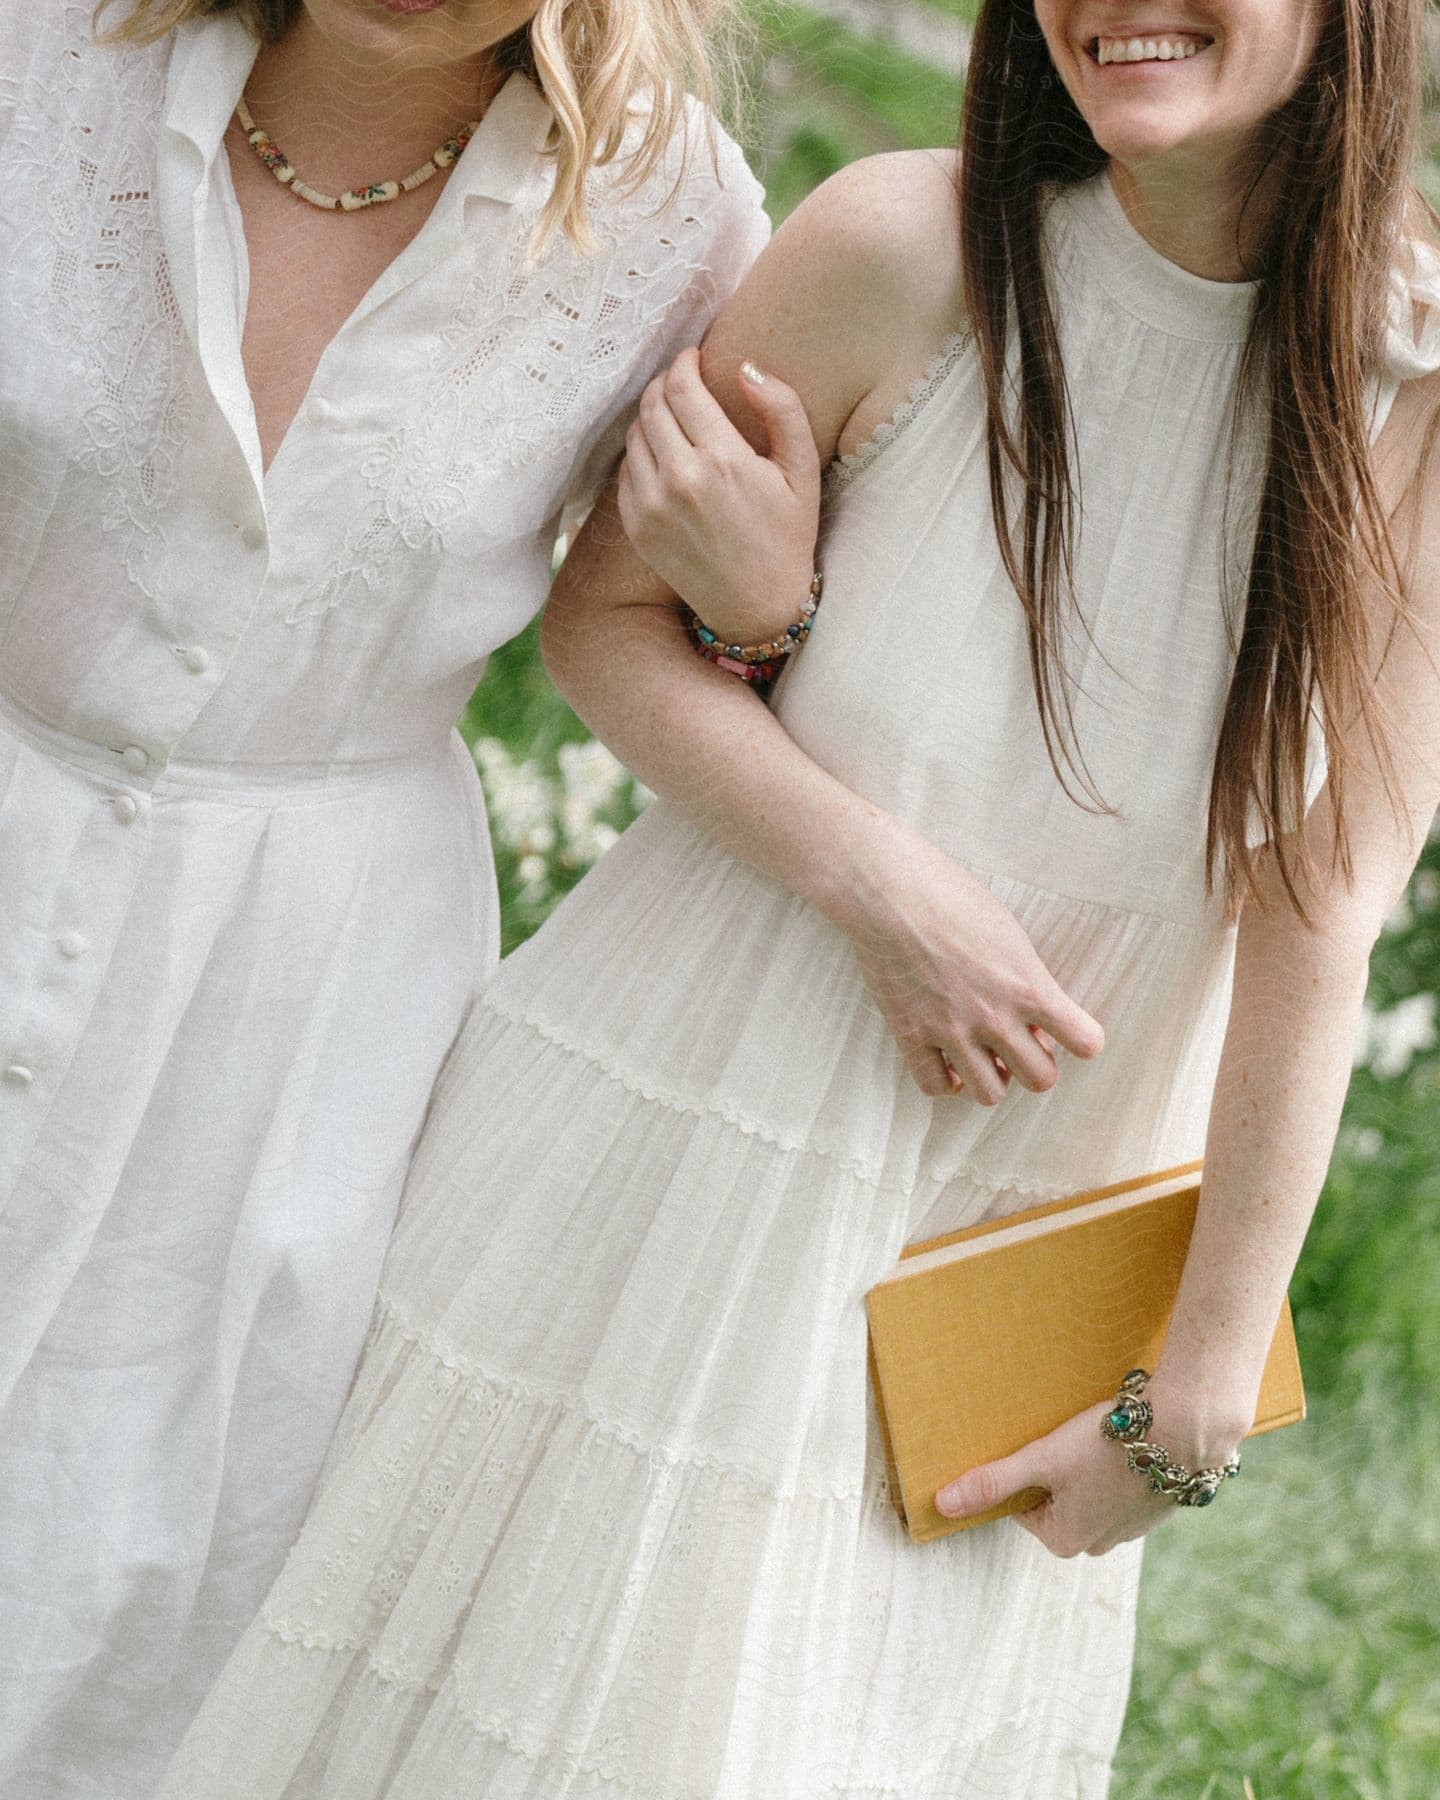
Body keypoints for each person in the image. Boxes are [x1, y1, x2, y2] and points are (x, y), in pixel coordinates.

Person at [158, 0, 1440, 1793]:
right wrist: (887, 892)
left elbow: (1330, 887)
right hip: (674, 1106)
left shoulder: (1412, 380)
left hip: (1011, 1204)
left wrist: (1211, 1363)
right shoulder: (907, 247)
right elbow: (606, 628)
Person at [0, 0, 767, 1790]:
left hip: (308, 972)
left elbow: (710, 637)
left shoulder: (681, 224)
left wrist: (764, 594)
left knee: (145, 1542)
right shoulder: (39, 58)